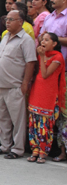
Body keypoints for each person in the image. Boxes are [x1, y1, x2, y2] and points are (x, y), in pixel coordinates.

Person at [0, 10, 37, 159]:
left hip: (14, 86)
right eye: (6, 19)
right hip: (0, 85)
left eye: (11, 19)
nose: (7, 22)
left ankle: (17, 149)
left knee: (18, 120)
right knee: (2, 118)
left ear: (20, 22)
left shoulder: (26, 40)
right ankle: (5, 146)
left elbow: (30, 62)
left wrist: (25, 83)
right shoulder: (5, 37)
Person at [26, 33, 65, 164]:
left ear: (54, 43)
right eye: (42, 40)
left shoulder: (58, 57)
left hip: (48, 95)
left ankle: (43, 152)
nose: (43, 42)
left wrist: (42, 57)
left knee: (45, 125)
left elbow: (45, 74)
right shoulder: (43, 55)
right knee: (34, 123)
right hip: (37, 92)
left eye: (47, 40)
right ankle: (35, 150)